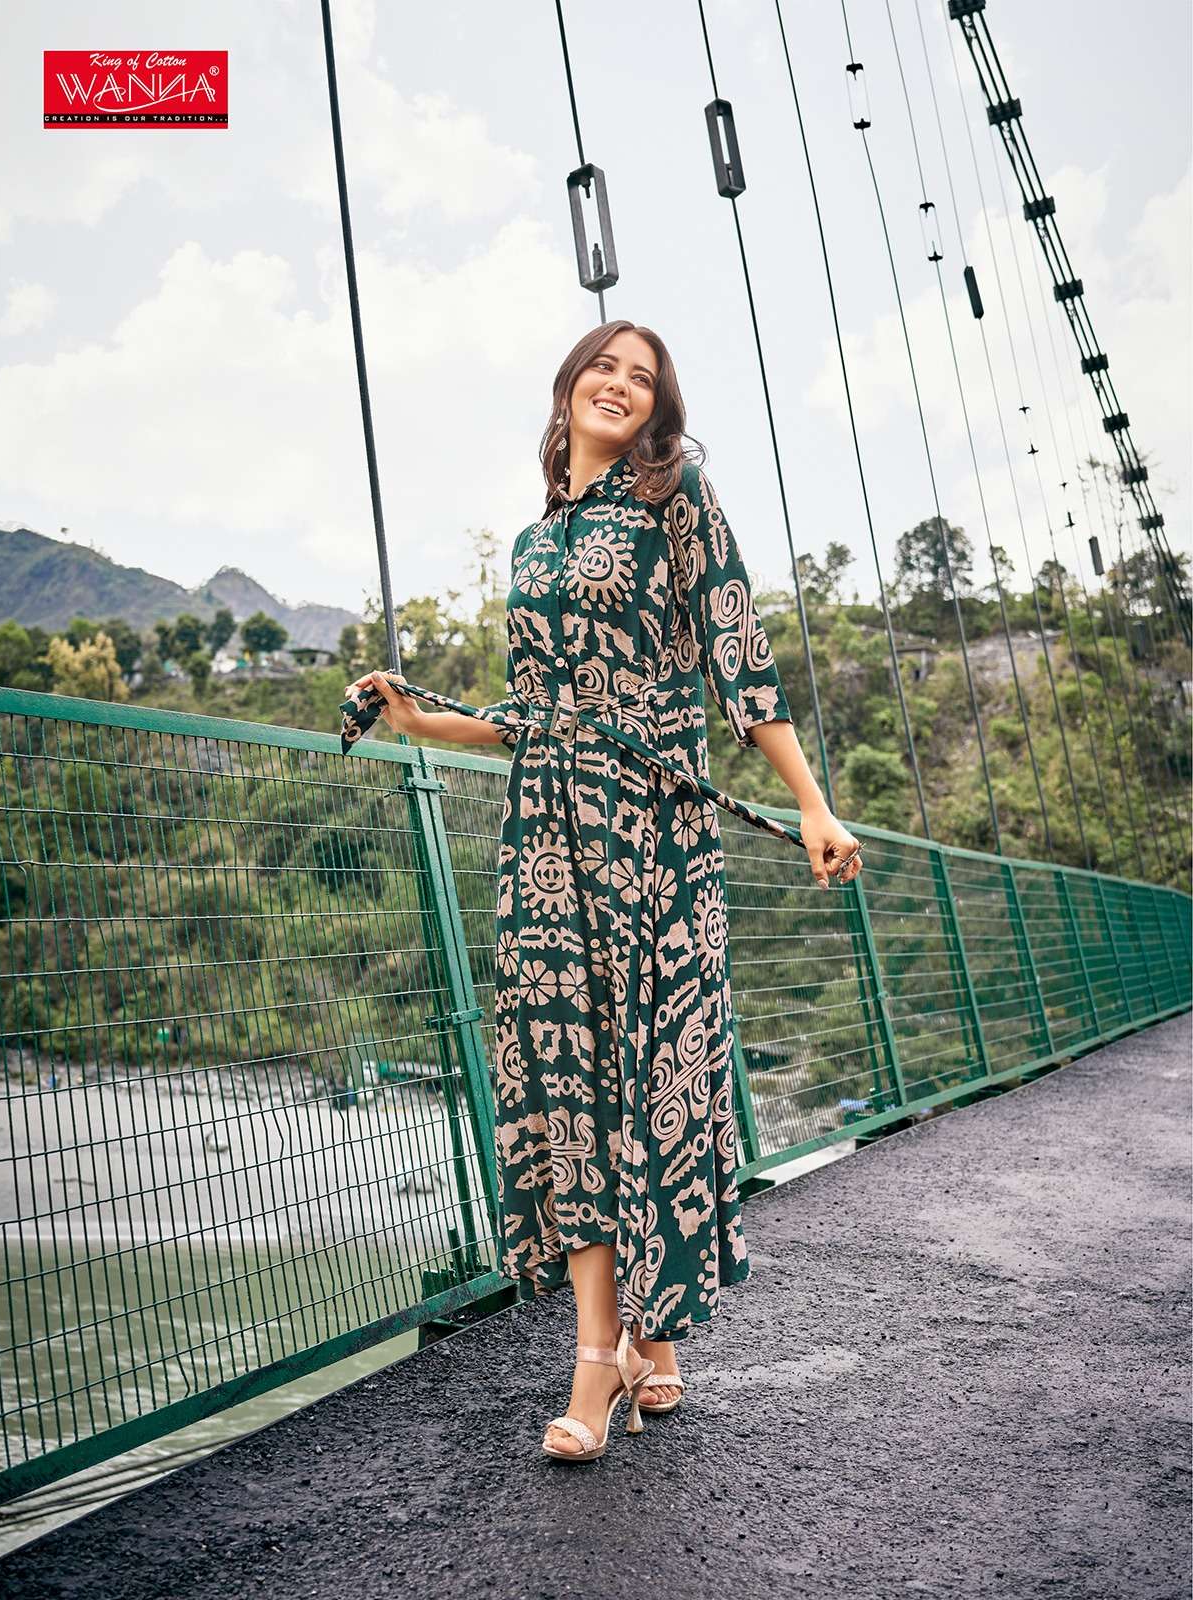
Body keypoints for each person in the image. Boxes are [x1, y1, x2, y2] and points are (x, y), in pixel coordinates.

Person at [344, 320, 862, 1463]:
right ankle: (611, 1349)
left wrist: (813, 804)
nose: (620, 384)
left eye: (643, 376)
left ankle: (642, 1336)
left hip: (656, 829)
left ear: (657, 406)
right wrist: (422, 718)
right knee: (571, 1073)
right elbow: (534, 711)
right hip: (546, 832)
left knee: (657, 1066)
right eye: (604, 366)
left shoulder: (676, 502)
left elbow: (738, 652)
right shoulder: (536, 541)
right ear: (569, 384)